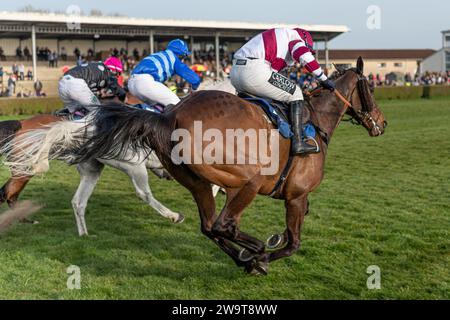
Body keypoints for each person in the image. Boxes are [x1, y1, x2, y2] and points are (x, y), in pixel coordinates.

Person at [230, 28, 336, 155]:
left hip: (235, 72)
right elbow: (304, 56)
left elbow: (273, 74)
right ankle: (298, 142)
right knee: (296, 93)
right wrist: (323, 78)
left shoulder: (278, 39)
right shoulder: (295, 38)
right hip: (254, 70)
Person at [128, 39, 201, 107]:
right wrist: (194, 89)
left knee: (158, 106)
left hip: (131, 83)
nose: (183, 59)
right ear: (180, 54)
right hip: (145, 82)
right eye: (183, 57)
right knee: (177, 105)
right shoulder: (175, 60)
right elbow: (195, 79)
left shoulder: (159, 54)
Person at [58, 57, 126, 111]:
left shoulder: (95, 67)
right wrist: (124, 99)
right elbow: (117, 88)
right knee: (98, 111)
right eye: (119, 73)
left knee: (78, 111)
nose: (118, 75)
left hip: (62, 84)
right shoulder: (107, 71)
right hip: (76, 84)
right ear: (113, 70)